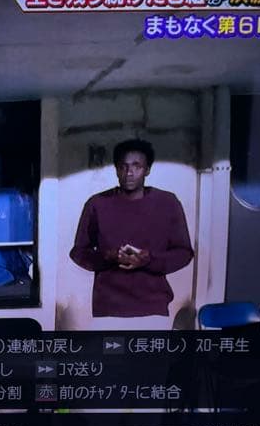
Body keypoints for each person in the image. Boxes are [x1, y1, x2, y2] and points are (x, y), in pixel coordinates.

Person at [69, 138, 194, 326]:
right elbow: (78, 252)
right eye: (123, 166)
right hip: (108, 307)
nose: (129, 173)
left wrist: (148, 259)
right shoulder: (97, 204)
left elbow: (184, 253)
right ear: (116, 169)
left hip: (153, 307)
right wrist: (109, 256)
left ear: (147, 170)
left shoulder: (167, 203)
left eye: (137, 166)